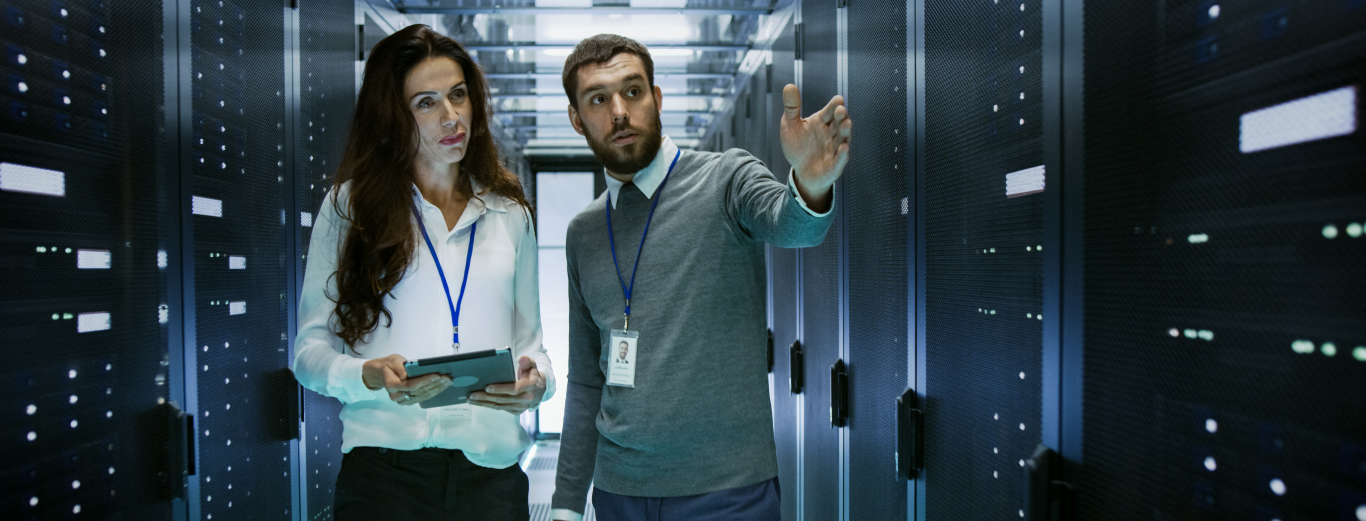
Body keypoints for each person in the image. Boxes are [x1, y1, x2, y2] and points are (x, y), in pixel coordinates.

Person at [551, 34, 851, 521]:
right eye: (599, 99)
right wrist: (566, 504)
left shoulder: (725, 179)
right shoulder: (583, 233)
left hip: (727, 491)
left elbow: (791, 224)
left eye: (632, 91)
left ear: (657, 98)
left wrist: (810, 185)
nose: (620, 112)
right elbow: (587, 380)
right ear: (577, 118)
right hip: (619, 492)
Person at [291, 24, 555, 521]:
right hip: (384, 482)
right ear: (395, 116)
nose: (451, 117)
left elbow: (532, 343)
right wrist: (364, 375)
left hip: (491, 480)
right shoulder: (350, 208)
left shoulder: (509, 214)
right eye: (426, 103)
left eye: (458, 95)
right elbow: (308, 354)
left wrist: (538, 381)